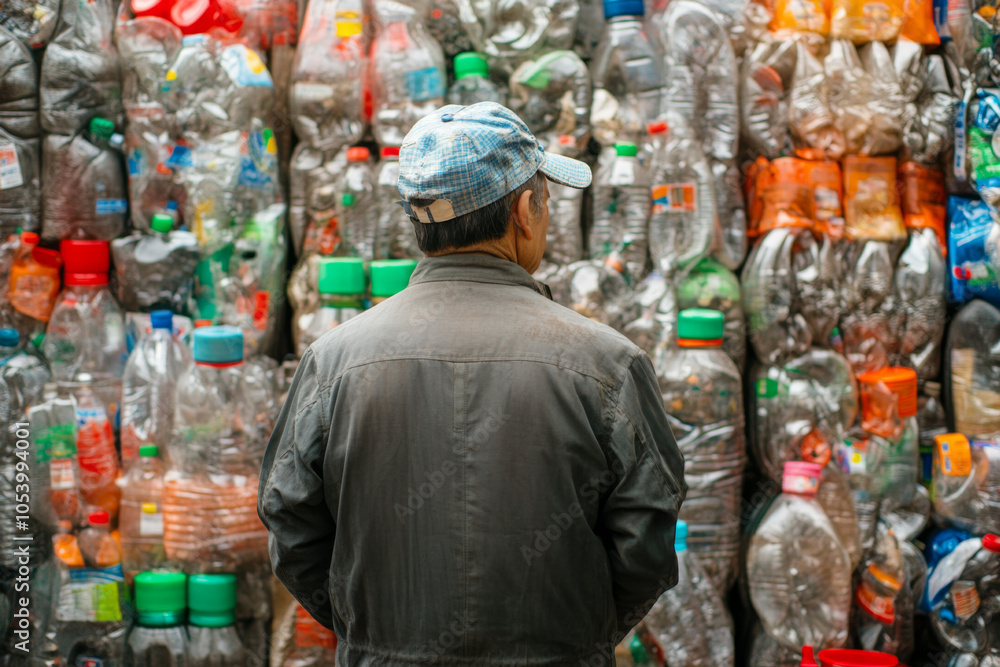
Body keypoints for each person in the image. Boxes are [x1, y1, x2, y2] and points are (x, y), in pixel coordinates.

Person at [258, 102, 686, 666]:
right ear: (524, 212)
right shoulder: (606, 363)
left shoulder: (335, 361)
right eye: (546, 198)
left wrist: (375, 633)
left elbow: (291, 523)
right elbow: (647, 544)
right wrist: (580, 635)